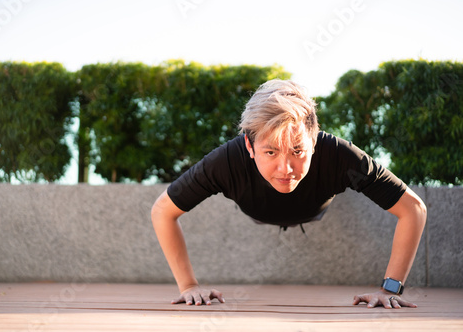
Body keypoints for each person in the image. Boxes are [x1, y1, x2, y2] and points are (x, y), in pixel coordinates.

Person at [151, 79, 427, 309]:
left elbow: (413, 209)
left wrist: (391, 288)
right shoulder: (226, 162)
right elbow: (163, 211)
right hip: (255, 209)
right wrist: (188, 286)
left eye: (298, 151)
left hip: (314, 208)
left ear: (314, 142)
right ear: (249, 146)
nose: (286, 169)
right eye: (270, 152)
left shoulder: (340, 156)